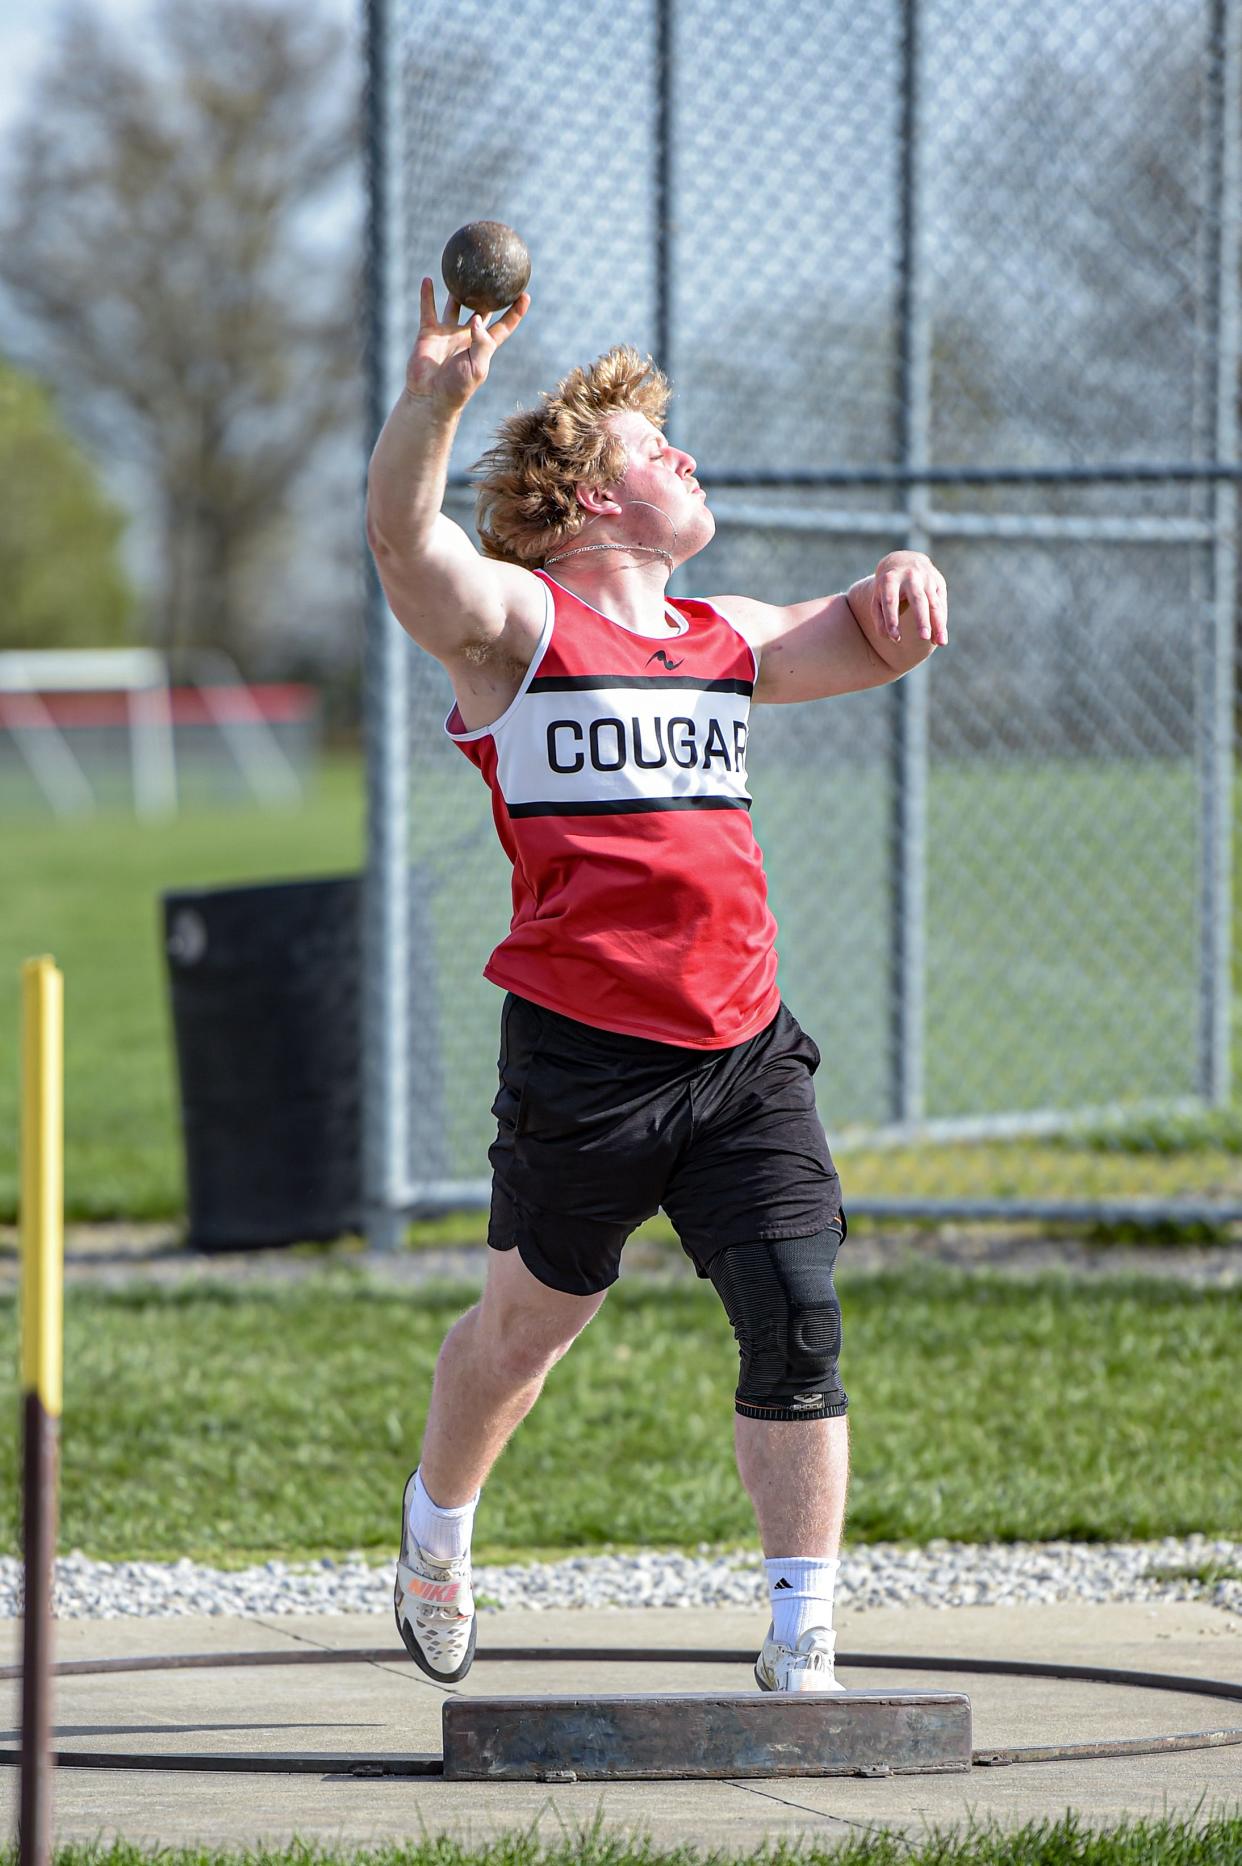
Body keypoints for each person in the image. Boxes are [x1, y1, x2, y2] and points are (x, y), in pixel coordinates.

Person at [366, 279, 948, 1694]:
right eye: (646, 444)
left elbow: (871, 635)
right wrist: (433, 403)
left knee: (798, 1315)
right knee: (524, 1331)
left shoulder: (722, 636)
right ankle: (436, 1535)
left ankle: (802, 1639)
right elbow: (404, 542)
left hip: (743, 1049)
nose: (679, 455)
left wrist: (907, 582)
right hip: (584, 1061)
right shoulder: (516, 625)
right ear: (582, 498)